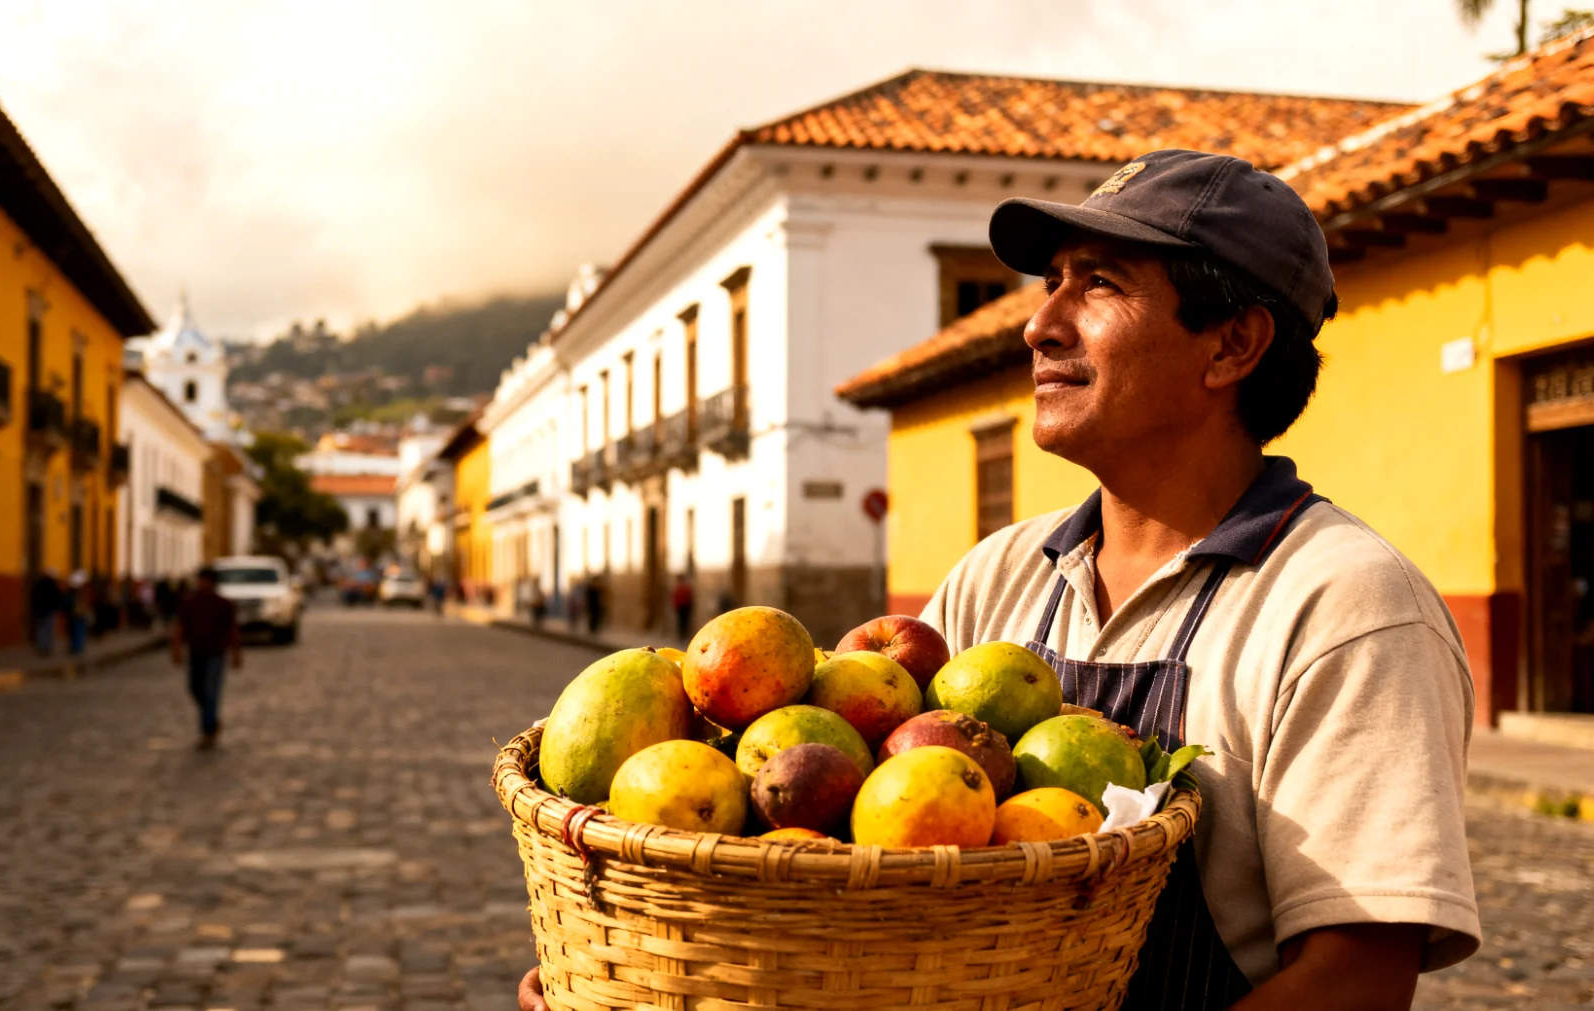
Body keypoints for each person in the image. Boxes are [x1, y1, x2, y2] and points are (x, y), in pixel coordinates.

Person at [521, 151, 1483, 1011]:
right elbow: (871, 857)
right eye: (1050, 282)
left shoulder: (1345, 605)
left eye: (1097, 284)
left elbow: (1356, 976)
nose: (1038, 326)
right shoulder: (1000, 575)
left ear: (1232, 345)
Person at [170, 566, 241, 750]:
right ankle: (211, 719)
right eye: (201, 581)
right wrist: (176, 649)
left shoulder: (224, 604)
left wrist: (236, 653)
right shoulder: (190, 603)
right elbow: (179, 627)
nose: (203, 584)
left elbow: (232, 629)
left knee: (211, 691)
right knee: (194, 688)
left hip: (216, 653)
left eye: (206, 581)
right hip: (196, 652)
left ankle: (207, 730)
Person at [30, 568, 62, 656]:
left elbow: (34, 598)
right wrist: (56, 608)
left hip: (40, 611)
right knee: (48, 630)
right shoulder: (52, 585)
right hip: (49, 611)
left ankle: (41, 648)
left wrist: (35, 609)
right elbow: (57, 597)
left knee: (41, 629)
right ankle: (47, 648)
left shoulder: (38, 585)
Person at [67, 570, 91, 655]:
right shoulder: (79, 591)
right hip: (78, 613)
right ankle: (77, 647)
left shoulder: (74, 591)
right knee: (78, 630)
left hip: (77, 613)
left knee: (77, 630)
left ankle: (77, 647)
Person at [671, 572, 694, 642]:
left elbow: (689, 598)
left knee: (683, 622)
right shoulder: (682, 588)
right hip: (682, 608)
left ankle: (683, 635)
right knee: (682, 622)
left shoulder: (679, 588)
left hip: (683, 608)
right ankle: (682, 635)